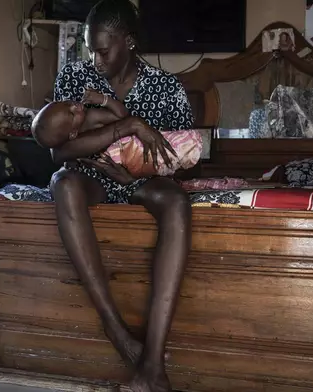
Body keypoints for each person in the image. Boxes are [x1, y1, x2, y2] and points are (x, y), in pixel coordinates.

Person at [50, 0, 194, 390]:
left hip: (141, 182)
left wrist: (131, 174)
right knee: (62, 182)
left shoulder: (166, 87)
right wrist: (126, 127)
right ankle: (115, 329)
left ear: (128, 42)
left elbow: (178, 159)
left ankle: (152, 366)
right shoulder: (74, 80)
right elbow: (59, 150)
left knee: (178, 202)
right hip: (92, 177)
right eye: (90, 49)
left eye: (103, 49)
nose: (94, 59)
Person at [31, 91, 201, 177]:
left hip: (129, 150)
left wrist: (103, 99)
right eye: (72, 114)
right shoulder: (65, 144)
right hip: (109, 169)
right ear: (73, 134)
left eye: (67, 103)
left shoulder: (91, 116)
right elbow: (61, 154)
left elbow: (122, 116)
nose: (75, 106)